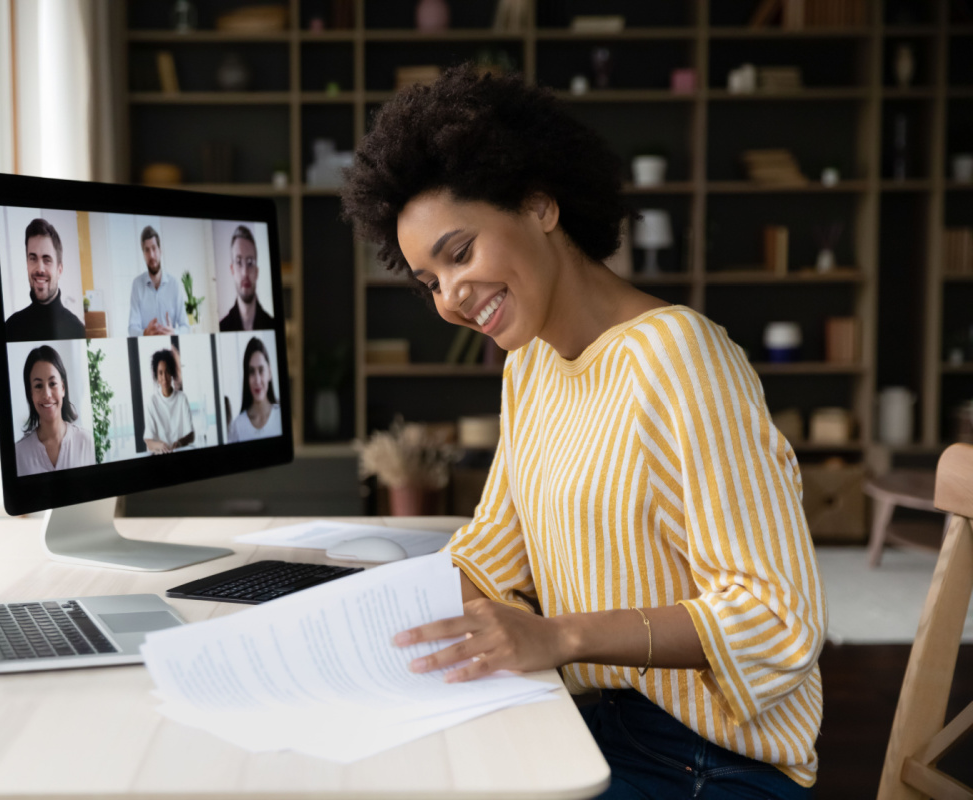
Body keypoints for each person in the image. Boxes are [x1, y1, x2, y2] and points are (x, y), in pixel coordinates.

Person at [340, 65, 823, 799]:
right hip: (597, 723)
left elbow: (776, 616)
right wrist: (350, 613)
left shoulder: (679, 356)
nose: (450, 299)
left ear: (539, 206)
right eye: (428, 281)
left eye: (459, 253)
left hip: (711, 761)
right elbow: (492, 555)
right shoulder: (531, 365)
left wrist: (559, 636)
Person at [14, 345, 95, 475]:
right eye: (38, 386)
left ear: (63, 388)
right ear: (30, 394)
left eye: (52, 384)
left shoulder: (87, 441)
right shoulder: (18, 454)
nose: (47, 394)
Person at [4, 218, 86, 341]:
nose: (40, 269)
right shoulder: (10, 327)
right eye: (33, 258)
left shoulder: (77, 330)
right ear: (27, 264)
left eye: (47, 260)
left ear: (59, 270)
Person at [128, 225, 190, 337]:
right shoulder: (137, 285)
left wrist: (174, 332)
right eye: (147, 250)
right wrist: (144, 332)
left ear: (160, 250)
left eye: (154, 248)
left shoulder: (174, 284)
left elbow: (185, 327)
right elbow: (132, 328)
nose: (151, 255)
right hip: (146, 349)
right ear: (143, 254)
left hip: (170, 348)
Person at [218, 225, 274, 331]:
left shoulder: (272, 324)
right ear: (232, 270)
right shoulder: (222, 327)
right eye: (239, 262)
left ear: (257, 271)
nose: (245, 272)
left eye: (250, 262)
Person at [226, 337, 281, 442]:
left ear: (269, 372)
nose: (257, 380)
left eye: (261, 370)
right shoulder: (237, 427)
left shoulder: (280, 416)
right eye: (251, 371)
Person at [143, 348, 194, 454]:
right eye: (160, 373)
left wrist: (179, 443)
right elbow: (148, 441)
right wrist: (160, 445)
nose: (164, 377)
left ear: (171, 374)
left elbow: (191, 435)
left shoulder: (182, 398)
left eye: (167, 372)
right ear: (157, 377)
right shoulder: (153, 401)